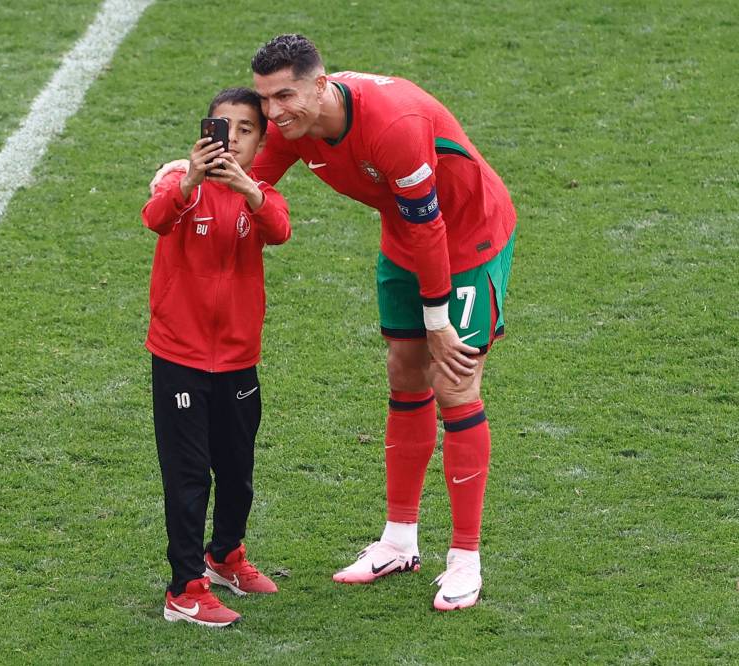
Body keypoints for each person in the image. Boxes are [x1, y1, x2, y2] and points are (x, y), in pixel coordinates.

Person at [152, 34, 516, 612]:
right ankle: (399, 541)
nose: (273, 114)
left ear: (323, 86)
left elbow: (432, 226)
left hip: (466, 236)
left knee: (455, 381)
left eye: (286, 97)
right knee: (404, 372)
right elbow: (255, 181)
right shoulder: (299, 128)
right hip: (404, 238)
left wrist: (438, 319)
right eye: (266, 100)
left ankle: (465, 560)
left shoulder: (393, 125)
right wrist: (184, 173)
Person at [142, 87, 292, 627]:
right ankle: (184, 588)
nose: (233, 138)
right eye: (223, 127)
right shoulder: (177, 180)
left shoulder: (262, 191)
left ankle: (225, 556)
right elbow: (155, 218)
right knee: (188, 477)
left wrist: (248, 189)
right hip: (179, 357)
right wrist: (189, 181)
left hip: (237, 360)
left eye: (246, 129)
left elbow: (279, 228)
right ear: (206, 132)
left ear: (259, 142)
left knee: (236, 468)